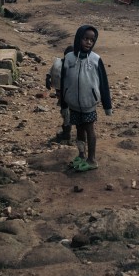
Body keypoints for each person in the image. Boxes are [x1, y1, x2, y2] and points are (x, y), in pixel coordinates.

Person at [58, 25, 113, 171]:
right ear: (78, 39)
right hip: (73, 104)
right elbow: (64, 83)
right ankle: (82, 155)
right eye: (86, 39)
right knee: (79, 129)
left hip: (89, 103)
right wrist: (64, 105)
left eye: (92, 40)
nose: (89, 42)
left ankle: (92, 159)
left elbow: (103, 83)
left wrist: (107, 106)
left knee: (89, 129)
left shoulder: (96, 60)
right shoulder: (69, 59)